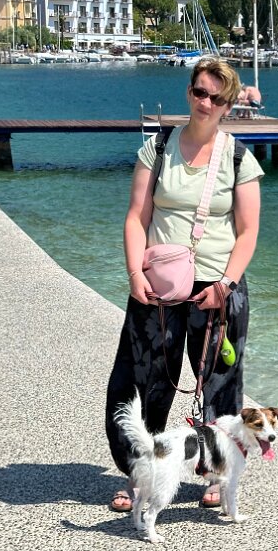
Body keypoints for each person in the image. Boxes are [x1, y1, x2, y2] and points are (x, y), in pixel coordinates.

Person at [105, 57, 265, 512]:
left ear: (229, 105)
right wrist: (134, 273)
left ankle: (217, 473)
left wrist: (226, 284)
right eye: (199, 92)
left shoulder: (239, 158)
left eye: (216, 97)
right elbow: (136, 217)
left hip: (218, 288)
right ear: (189, 92)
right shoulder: (158, 148)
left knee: (220, 384)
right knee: (144, 380)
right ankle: (140, 474)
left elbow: (248, 231)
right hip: (157, 285)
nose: (205, 103)